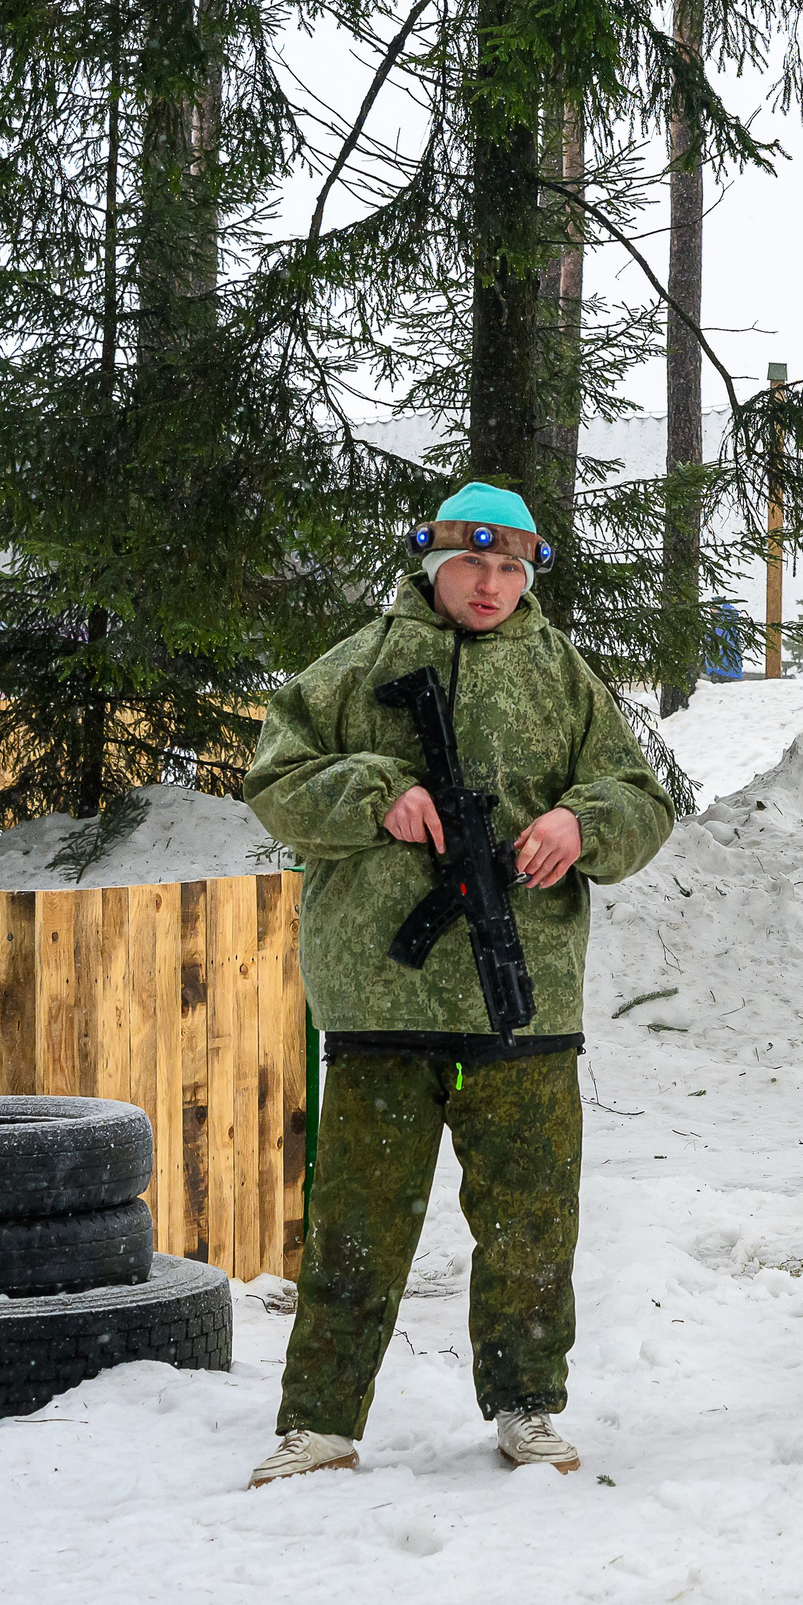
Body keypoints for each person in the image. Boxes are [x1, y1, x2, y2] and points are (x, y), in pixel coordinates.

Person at [242, 483, 673, 1487]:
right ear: (433, 564)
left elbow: (640, 799)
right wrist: (373, 794)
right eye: (473, 566)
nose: (490, 586)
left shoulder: (559, 675)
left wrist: (582, 824)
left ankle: (527, 1407)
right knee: (357, 1223)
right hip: (378, 998)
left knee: (529, 1223)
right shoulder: (358, 665)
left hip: (521, 1002)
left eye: (510, 569)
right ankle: (319, 1423)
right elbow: (274, 778)